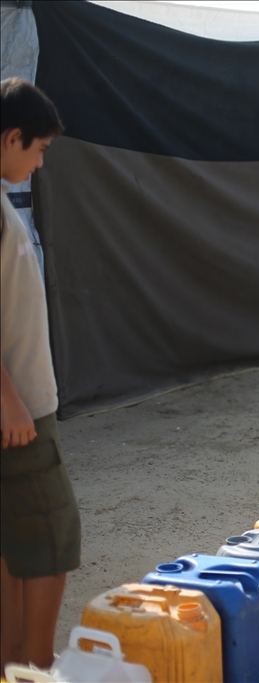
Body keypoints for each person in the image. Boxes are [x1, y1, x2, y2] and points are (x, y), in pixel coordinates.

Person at [1, 77, 81, 671]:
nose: (39, 162)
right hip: (21, 406)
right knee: (53, 536)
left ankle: (14, 664)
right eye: (39, 149)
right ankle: (38, 663)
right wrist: (9, 399)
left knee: (12, 545)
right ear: (11, 138)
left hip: (19, 402)